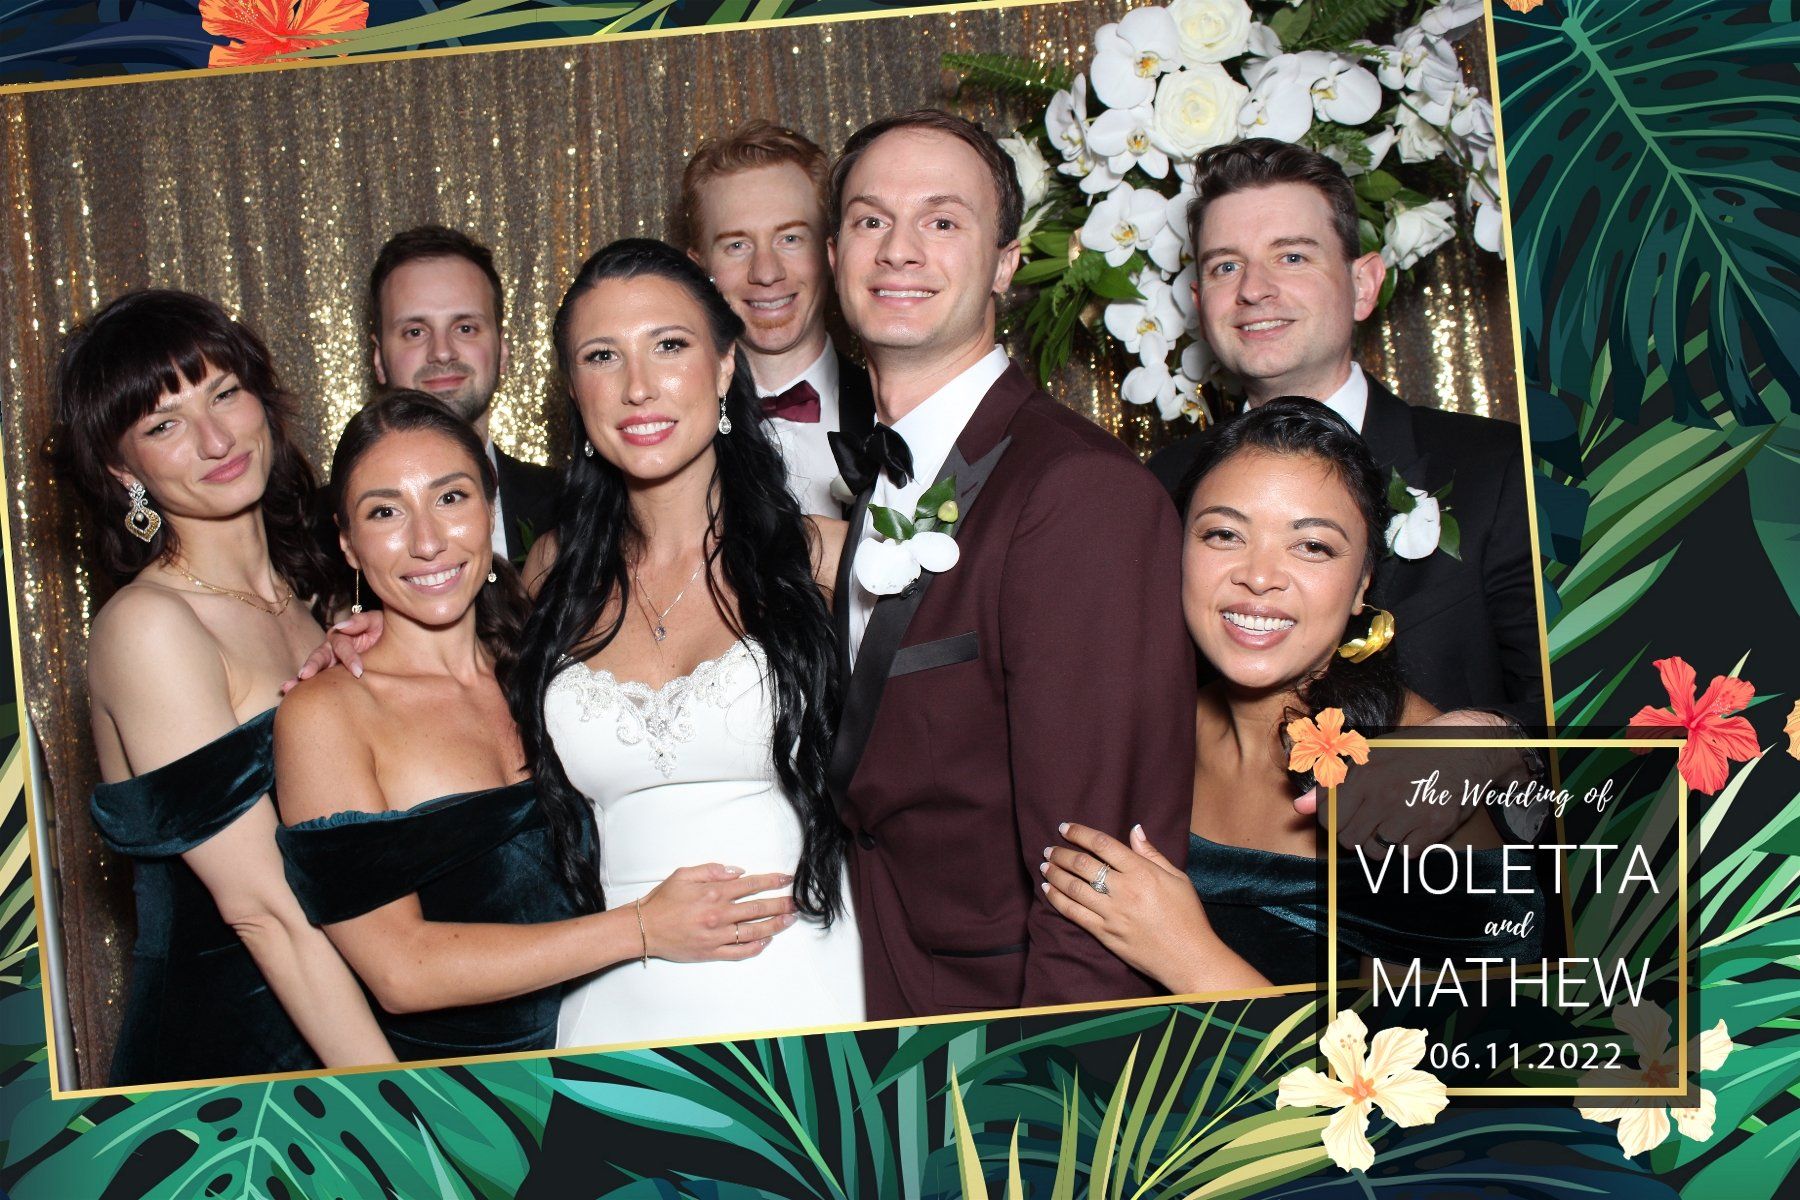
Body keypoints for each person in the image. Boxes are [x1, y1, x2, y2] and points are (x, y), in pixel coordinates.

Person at [273, 390, 802, 1062]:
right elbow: (400, 970)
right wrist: (641, 929)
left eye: (450, 497)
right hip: (455, 1098)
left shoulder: (545, 666)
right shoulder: (324, 713)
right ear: (348, 542)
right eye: (385, 512)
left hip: (609, 1044)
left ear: (490, 506)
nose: (428, 540)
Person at [824, 110, 1195, 1019]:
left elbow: (1096, 851)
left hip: (1008, 1023)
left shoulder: (1077, 492)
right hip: (874, 999)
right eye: (871, 221)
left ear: (1005, 263)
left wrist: (1055, 1081)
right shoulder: (880, 469)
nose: (899, 250)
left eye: (942, 221)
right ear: (834, 255)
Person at [1043, 400, 1539, 988]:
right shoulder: (1142, 733)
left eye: (1312, 547)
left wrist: (1185, 956)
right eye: (1224, 534)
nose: (1258, 576)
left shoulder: (1417, 784)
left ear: (1362, 586)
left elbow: (1435, 1071)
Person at [513, 238, 863, 1045]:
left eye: (669, 346)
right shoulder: (550, 574)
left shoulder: (826, 557)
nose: (638, 386)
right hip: (613, 1009)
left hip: (805, 991)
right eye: (604, 356)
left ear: (725, 368)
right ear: (574, 389)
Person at [53, 288, 395, 1085]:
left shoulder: (318, 604)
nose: (214, 439)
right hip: (229, 1080)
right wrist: (402, 1111)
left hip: (350, 1026)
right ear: (120, 468)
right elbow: (263, 912)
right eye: (163, 425)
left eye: (224, 394)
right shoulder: (149, 627)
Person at [1146, 138, 1543, 732]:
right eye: (1226, 265)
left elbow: (1585, 704)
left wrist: (1487, 740)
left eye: (1293, 257)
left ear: (1363, 285)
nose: (1254, 289)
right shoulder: (1157, 486)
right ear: (1201, 303)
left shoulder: (1503, 470)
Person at [680, 121, 875, 516]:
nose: (766, 273)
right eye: (737, 245)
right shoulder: (668, 428)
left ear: (831, 253)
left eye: (790, 238)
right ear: (700, 271)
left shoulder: (896, 413)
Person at [368, 224, 561, 563]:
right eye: (414, 332)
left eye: (465, 328)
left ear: (502, 350)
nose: (442, 352)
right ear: (378, 359)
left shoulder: (573, 506)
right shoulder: (315, 534)